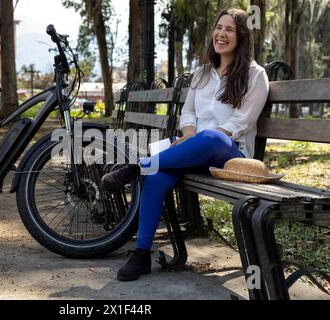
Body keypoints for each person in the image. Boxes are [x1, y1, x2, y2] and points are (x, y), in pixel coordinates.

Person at [100, 8, 269, 281]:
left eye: (229, 29)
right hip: (191, 150)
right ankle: (142, 254)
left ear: (242, 37)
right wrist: (190, 134)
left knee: (212, 137)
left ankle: (136, 166)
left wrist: (200, 138)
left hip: (231, 155)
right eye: (218, 27)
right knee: (155, 176)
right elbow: (188, 113)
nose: (221, 34)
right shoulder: (202, 74)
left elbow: (242, 122)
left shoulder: (255, 74)